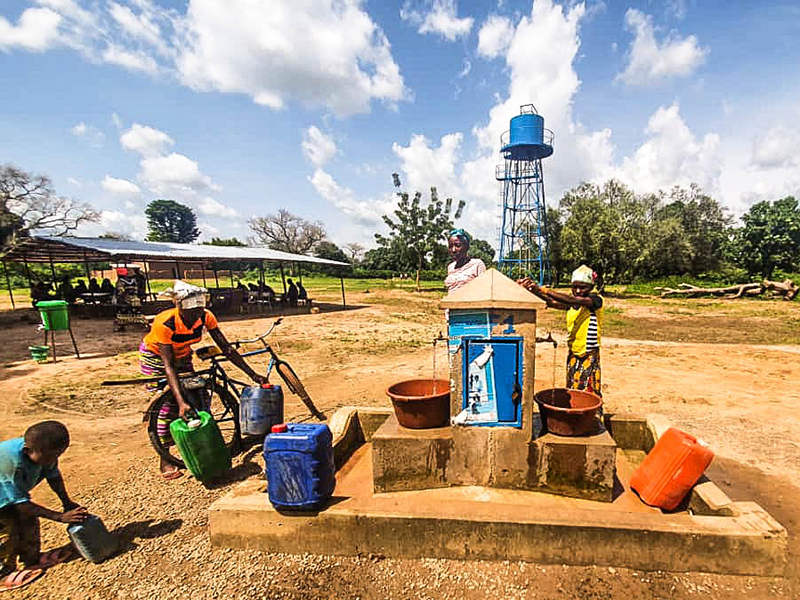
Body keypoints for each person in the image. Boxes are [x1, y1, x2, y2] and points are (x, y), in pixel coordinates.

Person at [139, 281, 267, 479]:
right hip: (156, 358)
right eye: (191, 309)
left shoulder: (206, 317)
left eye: (200, 307)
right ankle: (165, 458)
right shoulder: (165, 323)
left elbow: (227, 348)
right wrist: (180, 402)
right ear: (179, 306)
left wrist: (252, 374)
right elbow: (168, 366)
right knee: (168, 407)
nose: (196, 313)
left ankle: (202, 447)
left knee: (199, 396)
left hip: (183, 356)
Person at [0, 421, 87, 591]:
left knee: (29, 522)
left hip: (11, 496)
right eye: (50, 457)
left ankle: (31, 559)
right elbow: (22, 506)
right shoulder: (10, 462)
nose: (53, 461)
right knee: (6, 532)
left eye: (58, 455)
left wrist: (67, 502)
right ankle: (2, 573)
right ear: (27, 451)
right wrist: (59, 517)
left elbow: (53, 477)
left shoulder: (45, 453)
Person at [519, 265, 604, 399]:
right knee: (572, 387)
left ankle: (592, 418)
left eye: (583, 287)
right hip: (574, 352)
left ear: (591, 287)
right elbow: (553, 302)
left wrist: (542, 289)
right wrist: (534, 290)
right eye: (575, 287)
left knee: (589, 390)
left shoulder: (595, 300)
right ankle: (574, 415)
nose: (578, 291)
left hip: (589, 354)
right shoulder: (573, 304)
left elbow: (572, 299)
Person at [444, 229, 486, 293]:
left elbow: (484, 290)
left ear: (467, 247)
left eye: (457, 245)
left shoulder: (477, 264)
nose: (453, 250)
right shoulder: (450, 267)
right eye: (450, 246)